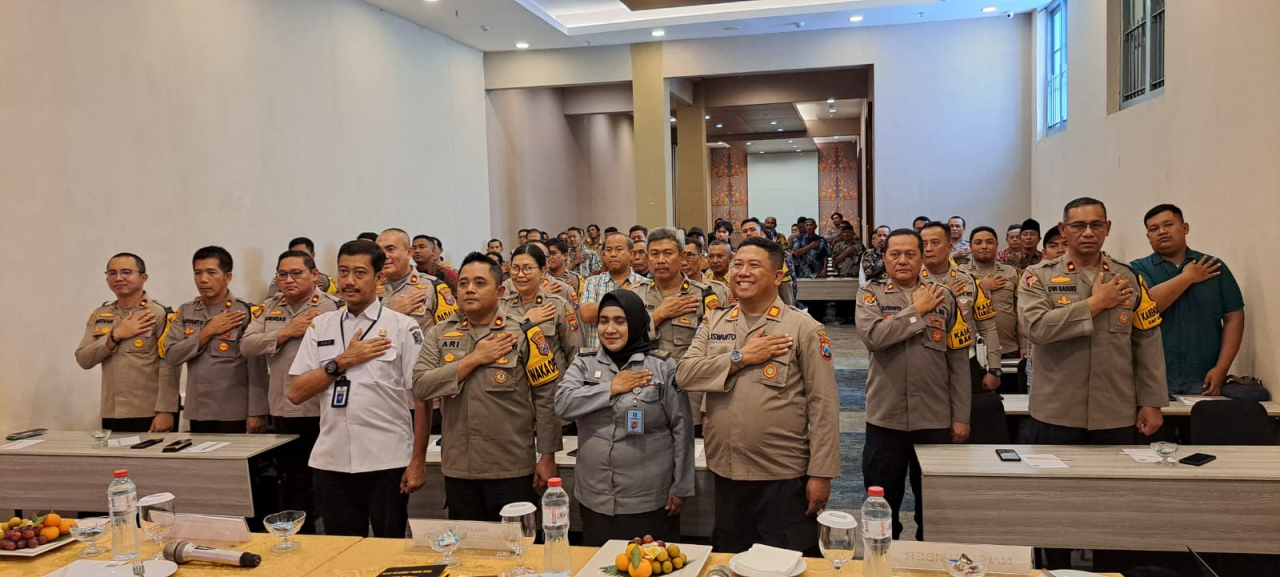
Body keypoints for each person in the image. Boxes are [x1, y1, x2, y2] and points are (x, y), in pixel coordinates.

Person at [676, 237, 839, 556]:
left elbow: (823, 405)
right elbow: (685, 374)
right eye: (738, 264)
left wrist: (822, 473)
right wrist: (740, 357)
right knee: (731, 556)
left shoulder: (803, 328)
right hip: (727, 470)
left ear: (778, 276)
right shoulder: (715, 320)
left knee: (785, 560)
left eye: (754, 265)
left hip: (782, 474)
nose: (742, 272)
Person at [286, 240, 427, 537]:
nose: (349, 281)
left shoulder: (403, 327)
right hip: (331, 459)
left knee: (390, 548)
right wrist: (342, 361)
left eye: (359, 273)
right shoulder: (321, 325)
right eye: (343, 272)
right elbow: (296, 392)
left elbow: (422, 398)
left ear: (379, 277)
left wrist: (418, 460)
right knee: (341, 550)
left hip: (387, 459)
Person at [413, 253, 561, 521]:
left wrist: (548, 457)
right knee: (468, 545)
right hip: (459, 468)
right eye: (464, 283)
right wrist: (474, 359)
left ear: (500, 291)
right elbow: (421, 387)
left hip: (512, 466)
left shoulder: (524, 333)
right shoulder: (440, 333)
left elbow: (546, 400)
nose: (469, 289)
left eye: (480, 283)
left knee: (518, 542)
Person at [1018, 197, 1167, 445]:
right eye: (1078, 226)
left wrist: (1152, 402)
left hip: (1115, 410)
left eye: (1096, 225)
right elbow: (1036, 328)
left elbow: (1147, 341)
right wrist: (1095, 304)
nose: (1088, 233)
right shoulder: (1038, 276)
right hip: (1057, 409)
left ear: (1107, 228)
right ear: (1063, 229)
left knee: (1115, 472)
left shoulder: (1127, 276)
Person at [554, 290, 694, 546]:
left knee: (651, 563)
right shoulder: (584, 363)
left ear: (637, 322)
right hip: (595, 498)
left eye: (620, 321)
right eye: (603, 321)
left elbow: (682, 428)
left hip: (649, 499)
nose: (610, 329)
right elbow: (563, 404)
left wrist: (682, 486)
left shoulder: (662, 366)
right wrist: (610, 388)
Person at [856, 228, 970, 541]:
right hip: (886, 416)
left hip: (934, 418)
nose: (902, 260)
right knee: (882, 507)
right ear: (884, 258)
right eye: (895, 254)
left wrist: (961, 416)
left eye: (910, 254)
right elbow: (874, 337)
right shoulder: (870, 295)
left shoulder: (944, 296)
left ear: (922, 258)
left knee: (935, 508)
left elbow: (958, 361)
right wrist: (916, 310)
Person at [242, 250, 343, 533]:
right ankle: (301, 533)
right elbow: (246, 345)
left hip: (321, 408)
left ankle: (330, 535)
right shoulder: (269, 307)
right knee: (292, 479)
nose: (288, 280)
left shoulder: (333, 308)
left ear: (314, 275)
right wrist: (286, 332)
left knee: (325, 478)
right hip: (283, 408)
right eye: (282, 274)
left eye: (296, 273)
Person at [1131, 204, 1261, 401]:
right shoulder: (1137, 269)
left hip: (1205, 377)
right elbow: (1148, 307)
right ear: (1148, 237)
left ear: (1185, 228)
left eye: (1168, 224)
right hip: (1153, 378)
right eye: (1154, 229)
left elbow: (1234, 318)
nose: (1162, 231)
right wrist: (1188, 277)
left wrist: (1221, 368)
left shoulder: (1213, 266)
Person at [632, 227, 730, 429]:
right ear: (648, 258)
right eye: (655, 254)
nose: (660, 260)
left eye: (668, 253)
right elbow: (623, 343)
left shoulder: (703, 295)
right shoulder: (634, 296)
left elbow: (717, 353)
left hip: (689, 398)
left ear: (682, 257)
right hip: (643, 394)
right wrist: (658, 316)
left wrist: (709, 406)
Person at [164, 246, 269, 434]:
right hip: (198, 410)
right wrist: (207, 332)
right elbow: (172, 356)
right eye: (198, 273)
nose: (203, 279)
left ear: (227, 277)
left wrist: (257, 412)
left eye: (211, 273)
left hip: (234, 412)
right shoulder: (186, 311)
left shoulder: (244, 313)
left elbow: (256, 368)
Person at [76, 252, 180, 433]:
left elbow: (171, 365)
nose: (118, 278)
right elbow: (84, 359)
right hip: (112, 411)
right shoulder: (101, 314)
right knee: (114, 453)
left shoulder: (159, 314)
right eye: (112, 273)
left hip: (149, 411)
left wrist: (166, 410)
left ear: (143, 277)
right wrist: (115, 335)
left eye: (126, 272)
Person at [920, 222, 1001, 393]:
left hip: (964, 360)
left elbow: (987, 328)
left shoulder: (970, 281)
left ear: (949, 247)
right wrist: (944, 294)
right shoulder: (910, 282)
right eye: (923, 244)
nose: (928, 249)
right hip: (924, 363)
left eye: (935, 243)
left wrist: (994, 369)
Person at [503, 244, 582, 382]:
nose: (520, 274)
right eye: (515, 268)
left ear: (542, 272)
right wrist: (526, 322)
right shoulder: (502, 306)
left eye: (527, 268)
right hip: (512, 387)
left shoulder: (558, 306)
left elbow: (574, 353)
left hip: (551, 388)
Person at [960, 226, 1024, 364]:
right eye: (978, 242)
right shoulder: (959, 273)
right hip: (973, 348)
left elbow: (1020, 309)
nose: (984, 246)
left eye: (989, 242)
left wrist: (1024, 344)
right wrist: (982, 286)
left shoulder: (1011, 272)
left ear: (997, 245)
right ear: (970, 246)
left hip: (1008, 346)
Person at [377, 228, 457, 332]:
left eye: (390, 249)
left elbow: (451, 333)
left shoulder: (434, 287)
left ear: (409, 252)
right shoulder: (369, 288)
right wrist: (392, 313)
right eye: (379, 251)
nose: (383, 256)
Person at [579, 233, 646, 348]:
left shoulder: (643, 283)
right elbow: (586, 315)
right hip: (597, 353)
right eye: (609, 250)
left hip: (633, 353)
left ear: (630, 254)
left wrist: (601, 307)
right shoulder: (592, 282)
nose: (613, 254)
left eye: (618, 249)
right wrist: (622, 295)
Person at [1022, 226, 1068, 391]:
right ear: (1044, 252)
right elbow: (1032, 326)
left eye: (1065, 244)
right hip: (1044, 363)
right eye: (1053, 245)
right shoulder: (1034, 278)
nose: (1060, 250)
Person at [741, 217, 797, 306]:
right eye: (744, 231)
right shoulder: (738, 256)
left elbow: (786, 292)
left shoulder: (774, 257)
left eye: (752, 230)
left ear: (761, 233)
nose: (748, 233)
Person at [266, 237, 338, 296]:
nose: (289, 280)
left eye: (297, 273)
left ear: (312, 256)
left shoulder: (325, 280)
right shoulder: (280, 279)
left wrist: (314, 290)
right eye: (293, 254)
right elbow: (269, 302)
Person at [830, 223, 865, 324]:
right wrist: (847, 252)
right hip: (843, 274)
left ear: (852, 233)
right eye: (844, 232)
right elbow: (835, 261)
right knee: (842, 297)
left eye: (848, 232)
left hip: (856, 275)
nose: (846, 234)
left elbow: (864, 260)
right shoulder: (838, 246)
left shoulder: (859, 245)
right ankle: (842, 317)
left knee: (855, 297)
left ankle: (853, 317)